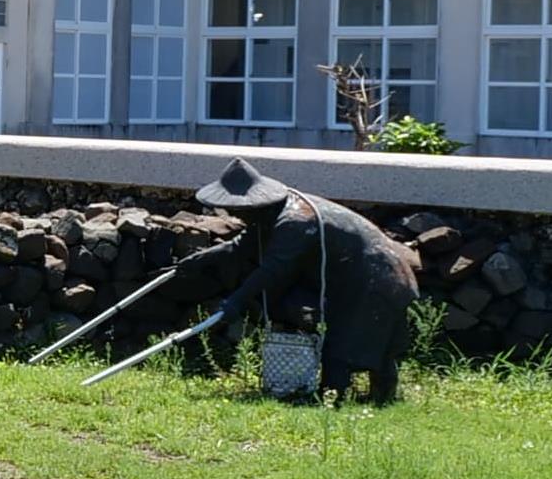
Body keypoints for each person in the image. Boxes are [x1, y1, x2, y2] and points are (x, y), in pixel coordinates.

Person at [165, 157, 422, 402]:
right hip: (368, 275)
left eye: (239, 209)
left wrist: (237, 301)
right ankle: (369, 396)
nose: (236, 215)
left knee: (346, 343)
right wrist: (204, 258)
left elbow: (274, 269)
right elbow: (244, 244)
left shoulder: (295, 221)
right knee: (363, 338)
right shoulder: (272, 214)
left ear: (255, 204)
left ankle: (339, 397)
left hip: (378, 276)